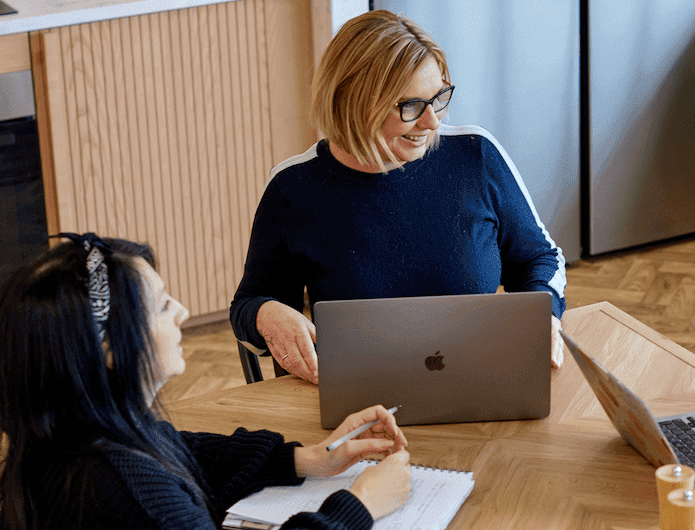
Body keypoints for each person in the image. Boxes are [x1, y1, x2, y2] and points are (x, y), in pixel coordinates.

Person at [0, 234, 413, 530]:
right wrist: (360, 506)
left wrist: (309, 459)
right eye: (162, 305)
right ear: (110, 349)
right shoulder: (121, 489)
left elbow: (183, 449)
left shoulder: (69, 432)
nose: (183, 311)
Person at [230, 10, 567, 383]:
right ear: (352, 101)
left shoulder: (476, 156)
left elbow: (539, 258)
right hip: (359, 405)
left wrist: (545, 315)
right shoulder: (293, 188)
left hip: (478, 383)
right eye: (410, 107)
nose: (432, 122)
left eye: (438, 97)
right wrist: (266, 313)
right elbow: (249, 306)